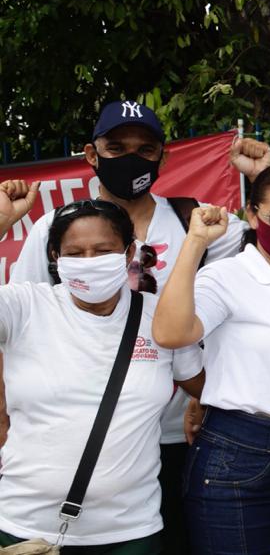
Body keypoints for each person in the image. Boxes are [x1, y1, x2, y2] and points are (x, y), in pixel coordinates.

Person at [5, 100, 266, 554]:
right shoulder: (57, 229)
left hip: (179, 432)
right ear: (92, 154)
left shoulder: (196, 221)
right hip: (76, 432)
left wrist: (261, 178)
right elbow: (15, 328)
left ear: (164, 158)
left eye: (146, 149)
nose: (132, 158)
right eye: (117, 146)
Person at [0, 182, 203, 553]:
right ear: (54, 256)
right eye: (75, 253)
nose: (89, 261)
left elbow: (205, 385)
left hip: (130, 533)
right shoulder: (24, 306)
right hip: (25, 528)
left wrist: (202, 402)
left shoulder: (159, 318)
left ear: (129, 254)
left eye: (103, 250)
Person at [152, 163, 270, 554]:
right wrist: (195, 242)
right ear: (252, 215)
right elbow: (171, 334)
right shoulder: (226, 277)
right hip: (238, 463)